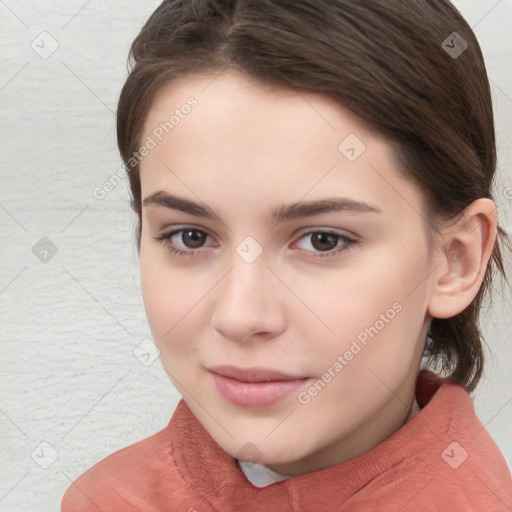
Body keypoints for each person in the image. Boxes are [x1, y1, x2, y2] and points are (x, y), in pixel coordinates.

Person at [61, 0, 512, 510]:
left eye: (324, 240)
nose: (240, 315)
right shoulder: (105, 497)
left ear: (456, 260)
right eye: (190, 236)